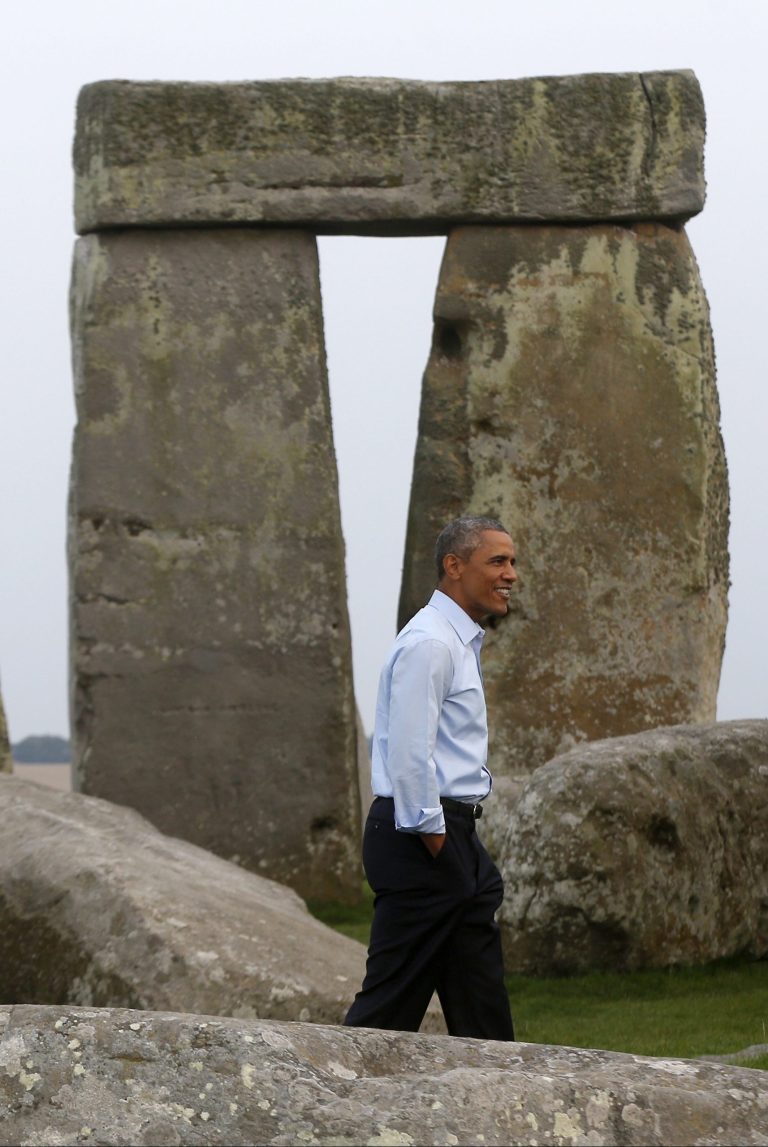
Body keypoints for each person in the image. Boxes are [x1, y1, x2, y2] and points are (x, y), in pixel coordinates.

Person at [344, 515, 517, 1039]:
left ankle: (500, 1100)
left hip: (447, 837)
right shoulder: (430, 644)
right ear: (454, 566)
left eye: (512, 562)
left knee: (482, 1006)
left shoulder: (454, 640)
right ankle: (327, 1107)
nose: (511, 574)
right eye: (497, 561)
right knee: (385, 1014)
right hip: (422, 839)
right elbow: (410, 753)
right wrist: (436, 839)